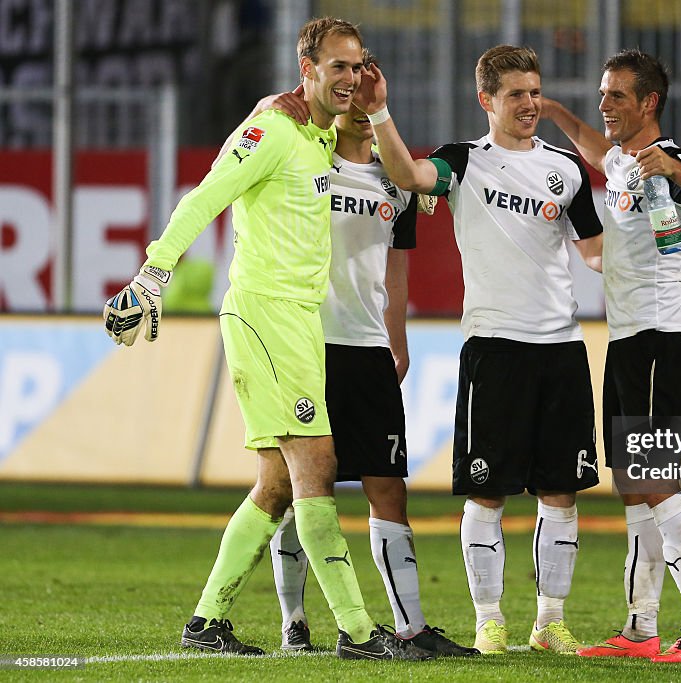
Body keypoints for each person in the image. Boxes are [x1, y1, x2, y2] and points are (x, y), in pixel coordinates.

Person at [102, 18, 430, 662]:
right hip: (266, 315)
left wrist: (371, 106)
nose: (350, 77)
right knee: (318, 466)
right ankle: (360, 633)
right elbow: (205, 197)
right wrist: (152, 273)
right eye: (336, 66)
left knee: (277, 483)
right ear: (305, 69)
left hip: (298, 320)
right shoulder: (274, 130)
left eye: (356, 65)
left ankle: (207, 622)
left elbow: (392, 166)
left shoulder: (314, 134)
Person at [352, 45, 605, 655]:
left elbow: (596, 253)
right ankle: (489, 618)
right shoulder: (463, 162)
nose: (529, 104)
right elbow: (411, 179)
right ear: (485, 100)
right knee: (486, 493)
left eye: (534, 92)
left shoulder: (566, 169)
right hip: (495, 349)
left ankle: (550, 620)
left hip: (562, 348)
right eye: (515, 94)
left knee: (561, 492)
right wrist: (381, 112)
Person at [229, 50, 477, 658]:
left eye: (371, 97)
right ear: (331, 97)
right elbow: (261, 124)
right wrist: (272, 101)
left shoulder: (396, 182)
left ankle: (411, 627)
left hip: (368, 348)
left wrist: (398, 337)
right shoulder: (304, 156)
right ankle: (295, 622)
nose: (361, 106)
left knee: (389, 487)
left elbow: (396, 267)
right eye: (351, 92)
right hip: (304, 340)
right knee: (295, 485)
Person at [540, 49, 681, 663]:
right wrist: (556, 114)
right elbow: (599, 151)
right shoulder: (624, 161)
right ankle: (639, 626)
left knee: (655, 479)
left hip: (664, 337)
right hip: (628, 339)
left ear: (648, 102)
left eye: (616, 96)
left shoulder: (669, 158)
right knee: (632, 485)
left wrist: (676, 173)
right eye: (603, 95)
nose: (606, 105)